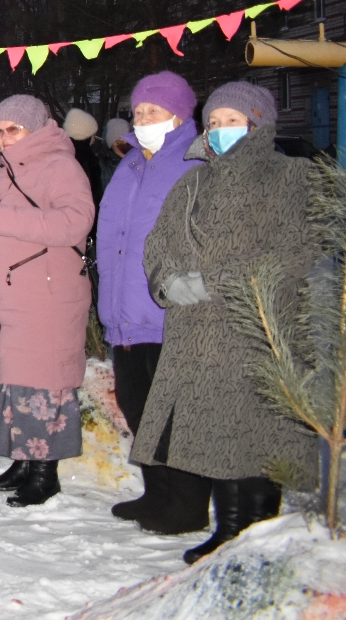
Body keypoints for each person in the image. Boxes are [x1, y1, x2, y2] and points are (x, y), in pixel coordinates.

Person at [135, 81, 318, 564]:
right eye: (212, 123)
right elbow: (159, 240)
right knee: (212, 437)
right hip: (196, 334)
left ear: (258, 123)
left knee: (253, 435)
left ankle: (252, 533)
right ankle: (228, 528)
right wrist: (167, 280)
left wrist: (212, 281)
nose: (218, 131)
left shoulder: (291, 177)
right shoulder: (192, 181)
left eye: (230, 121)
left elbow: (296, 252)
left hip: (256, 329)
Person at [0, 96, 95, 504]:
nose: (4, 139)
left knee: (42, 382)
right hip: (3, 297)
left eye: (13, 130)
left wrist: (7, 221)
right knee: (9, 379)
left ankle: (44, 470)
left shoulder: (61, 166)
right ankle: (21, 459)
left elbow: (75, 223)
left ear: (35, 129)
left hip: (45, 296)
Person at [95, 72, 203, 532]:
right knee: (141, 411)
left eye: (152, 112)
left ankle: (189, 503)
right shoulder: (131, 164)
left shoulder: (194, 165)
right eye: (137, 113)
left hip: (167, 316)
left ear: (179, 115)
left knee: (176, 416)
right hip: (125, 315)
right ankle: (156, 493)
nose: (142, 121)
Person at [63, 108, 105, 206]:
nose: (94, 138)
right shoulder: (87, 158)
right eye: (92, 134)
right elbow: (95, 192)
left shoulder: (64, 153)